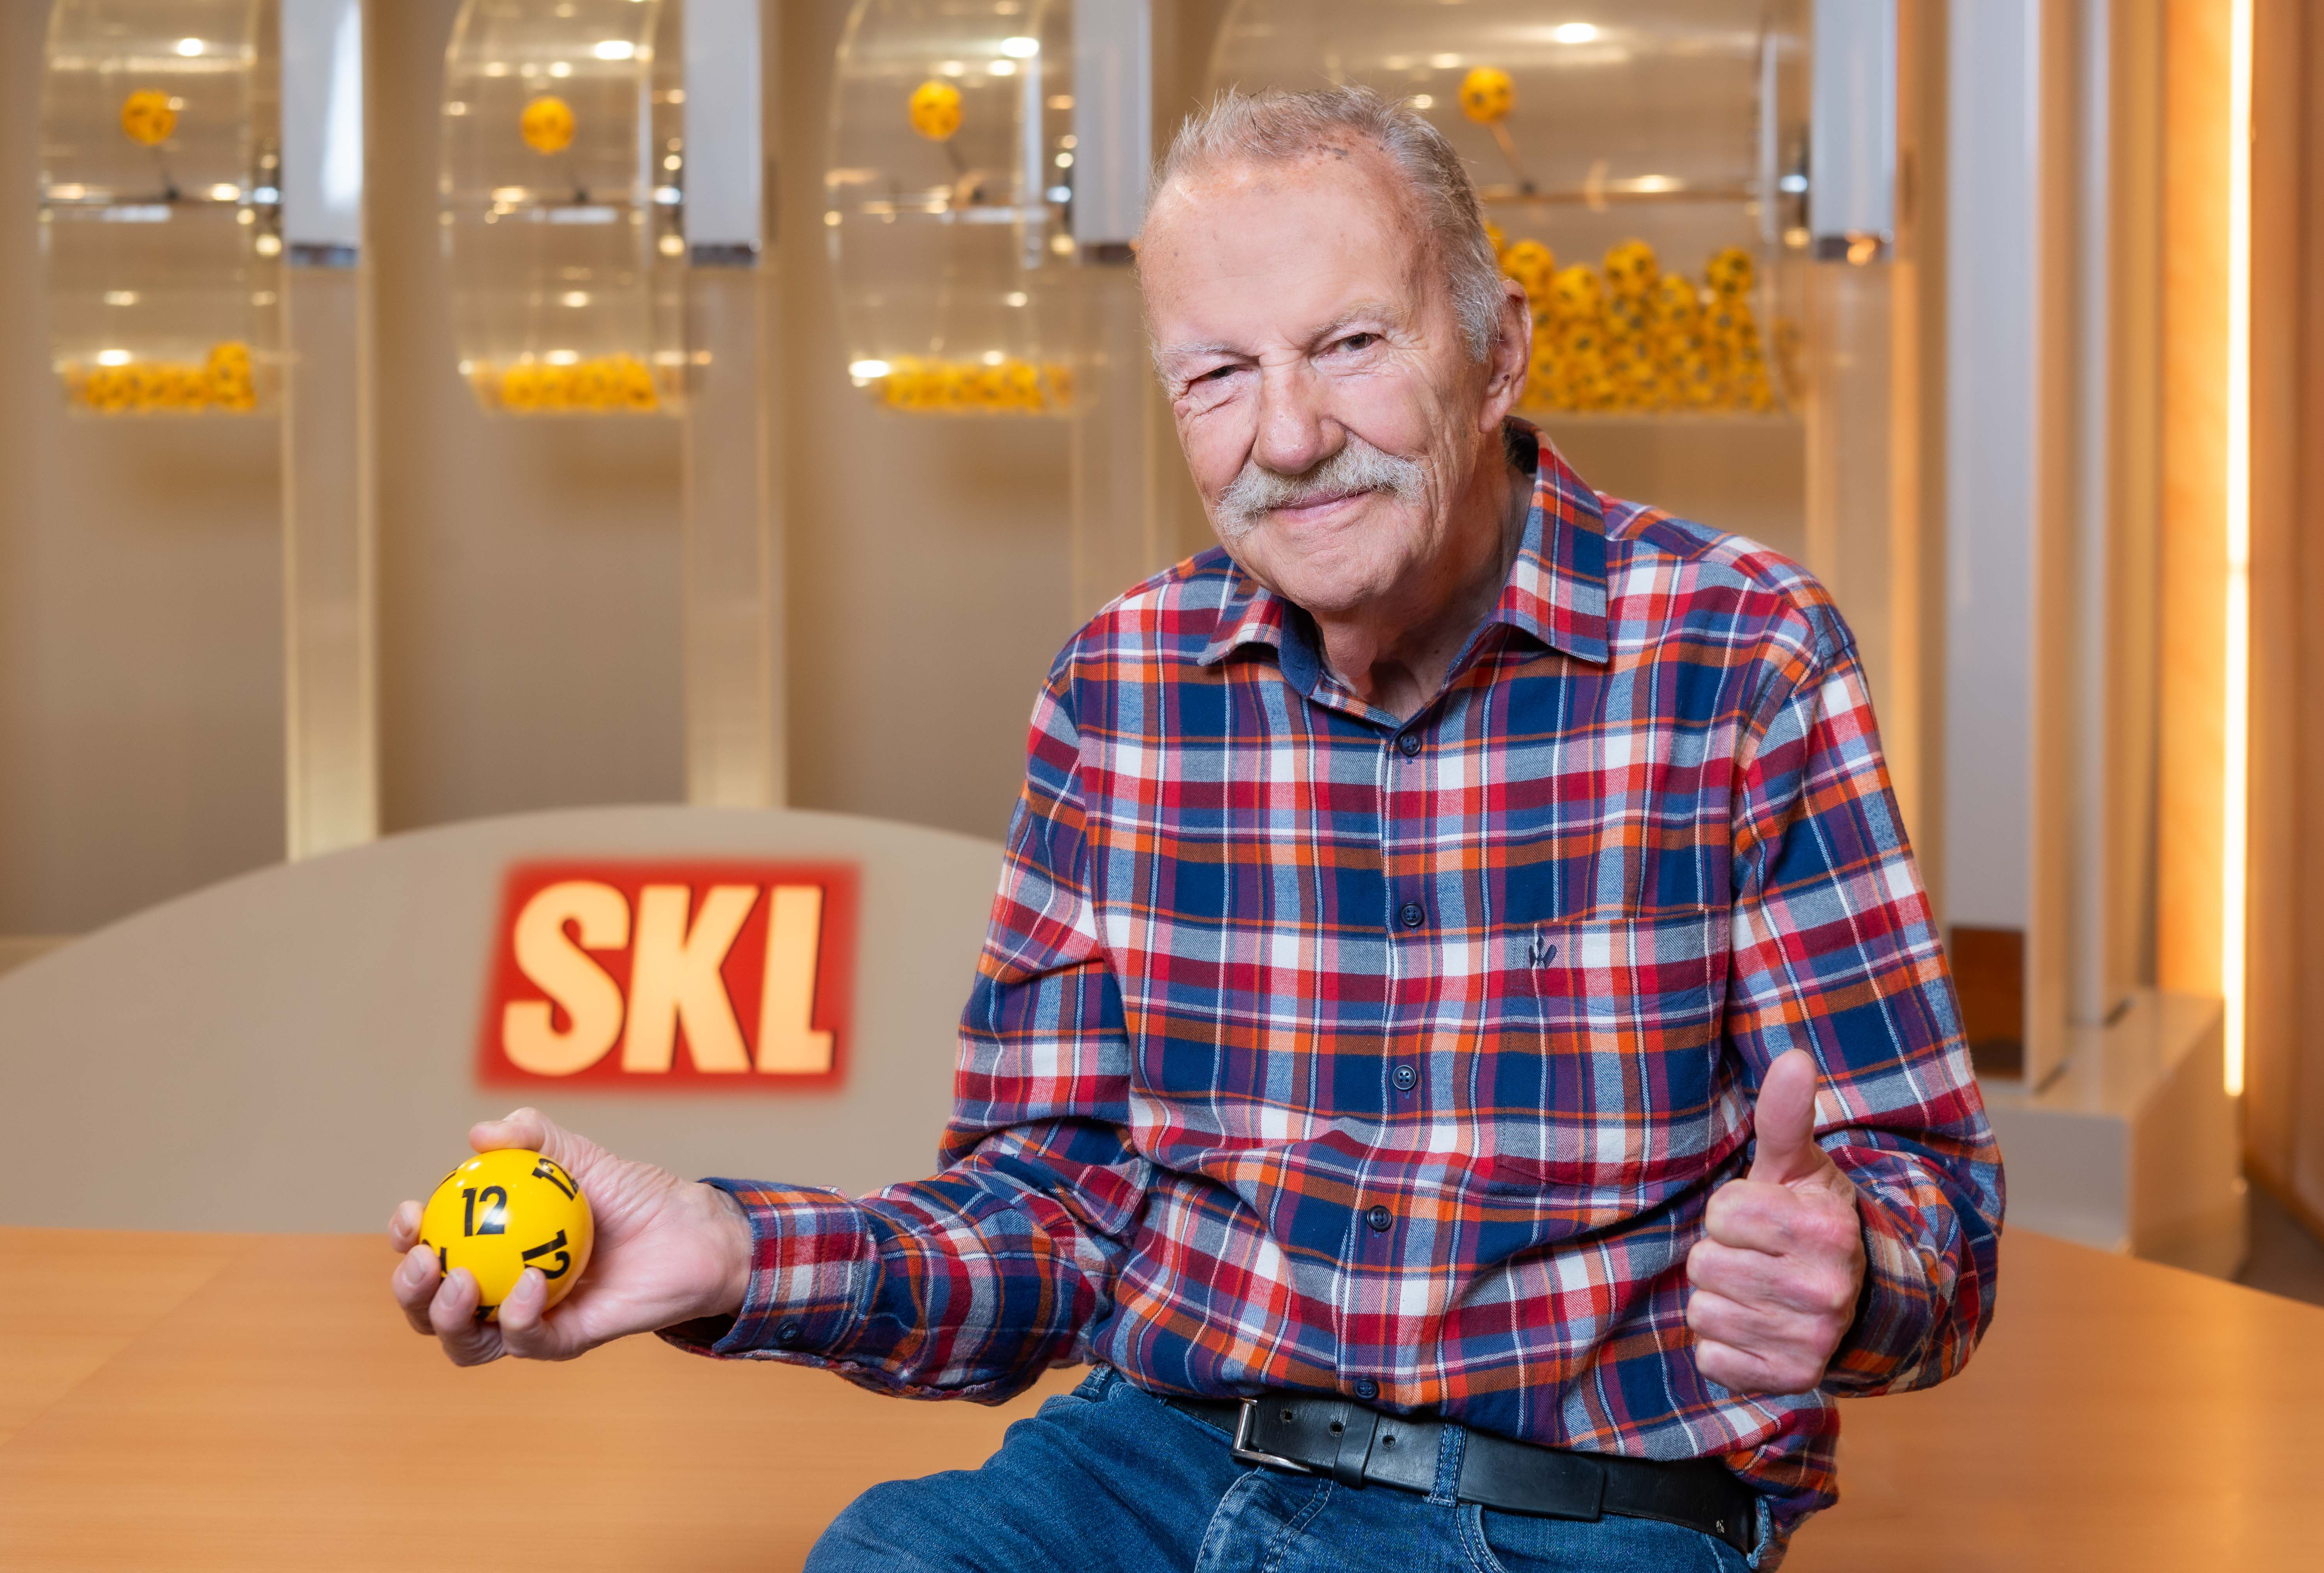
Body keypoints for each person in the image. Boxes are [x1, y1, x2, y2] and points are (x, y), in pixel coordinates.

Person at [388, 87, 2001, 1571]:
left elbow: (1938, 1219)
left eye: (1350, 344)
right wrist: (736, 1251)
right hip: (1154, 1464)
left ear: (1499, 348)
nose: (1287, 438)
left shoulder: (1742, 656)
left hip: (1567, 1512)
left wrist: (1850, 1272)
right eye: (1218, 375)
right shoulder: (1120, 687)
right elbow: (1054, 1215)